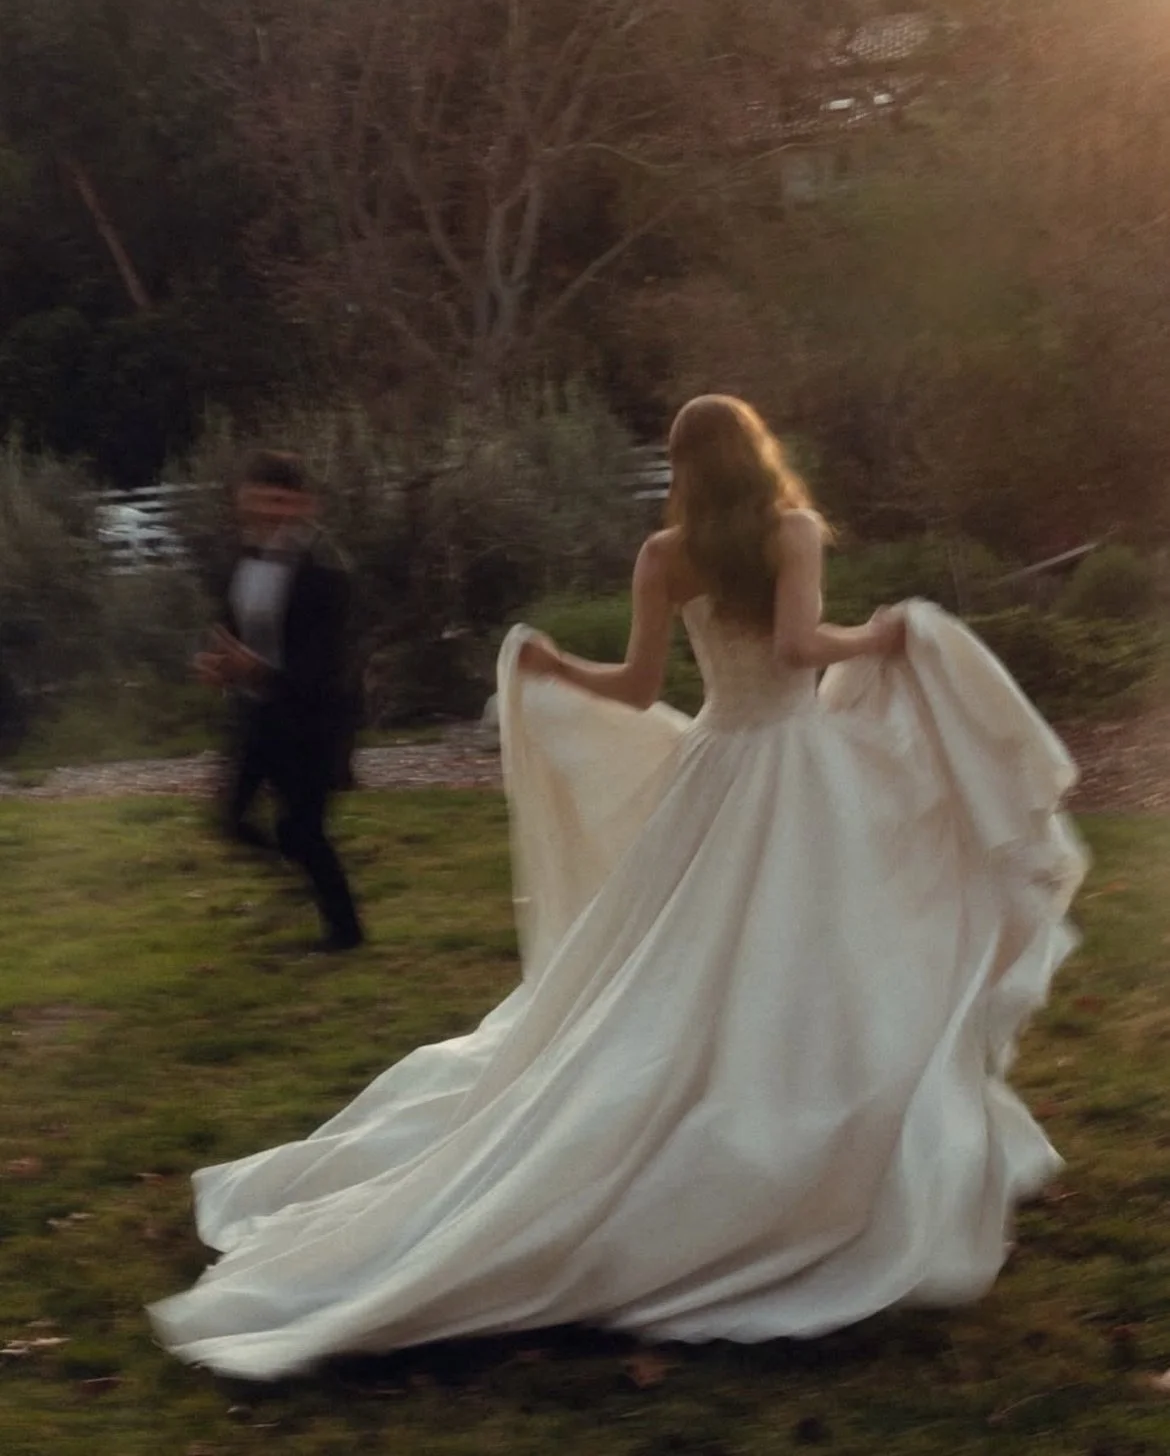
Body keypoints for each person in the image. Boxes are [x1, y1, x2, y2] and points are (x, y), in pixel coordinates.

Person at [151, 396, 1083, 1380]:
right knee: (822, 951)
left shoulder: (663, 553)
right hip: (799, 768)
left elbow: (640, 688)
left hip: (718, 766)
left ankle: (745, 1108)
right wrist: (887, 637)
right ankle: (823, 1132)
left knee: (680, 961)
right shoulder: (793, 530)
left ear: (682, 467)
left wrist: (558, 665)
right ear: (757, 455)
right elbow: (805, 649)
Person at [195, 449, 365, 954]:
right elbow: (232, 632)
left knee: (302, 830)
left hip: (314, 719)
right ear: (241, 499)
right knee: (233, 818)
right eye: (263, 499)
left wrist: (255, 669)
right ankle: (299, 874)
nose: (273, 511)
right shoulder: (236, 563)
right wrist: (218, 666)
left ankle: (345, 933)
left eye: (284, 501)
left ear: (306, 506)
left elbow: (323, 670)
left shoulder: (327, 575)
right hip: (256, 714)